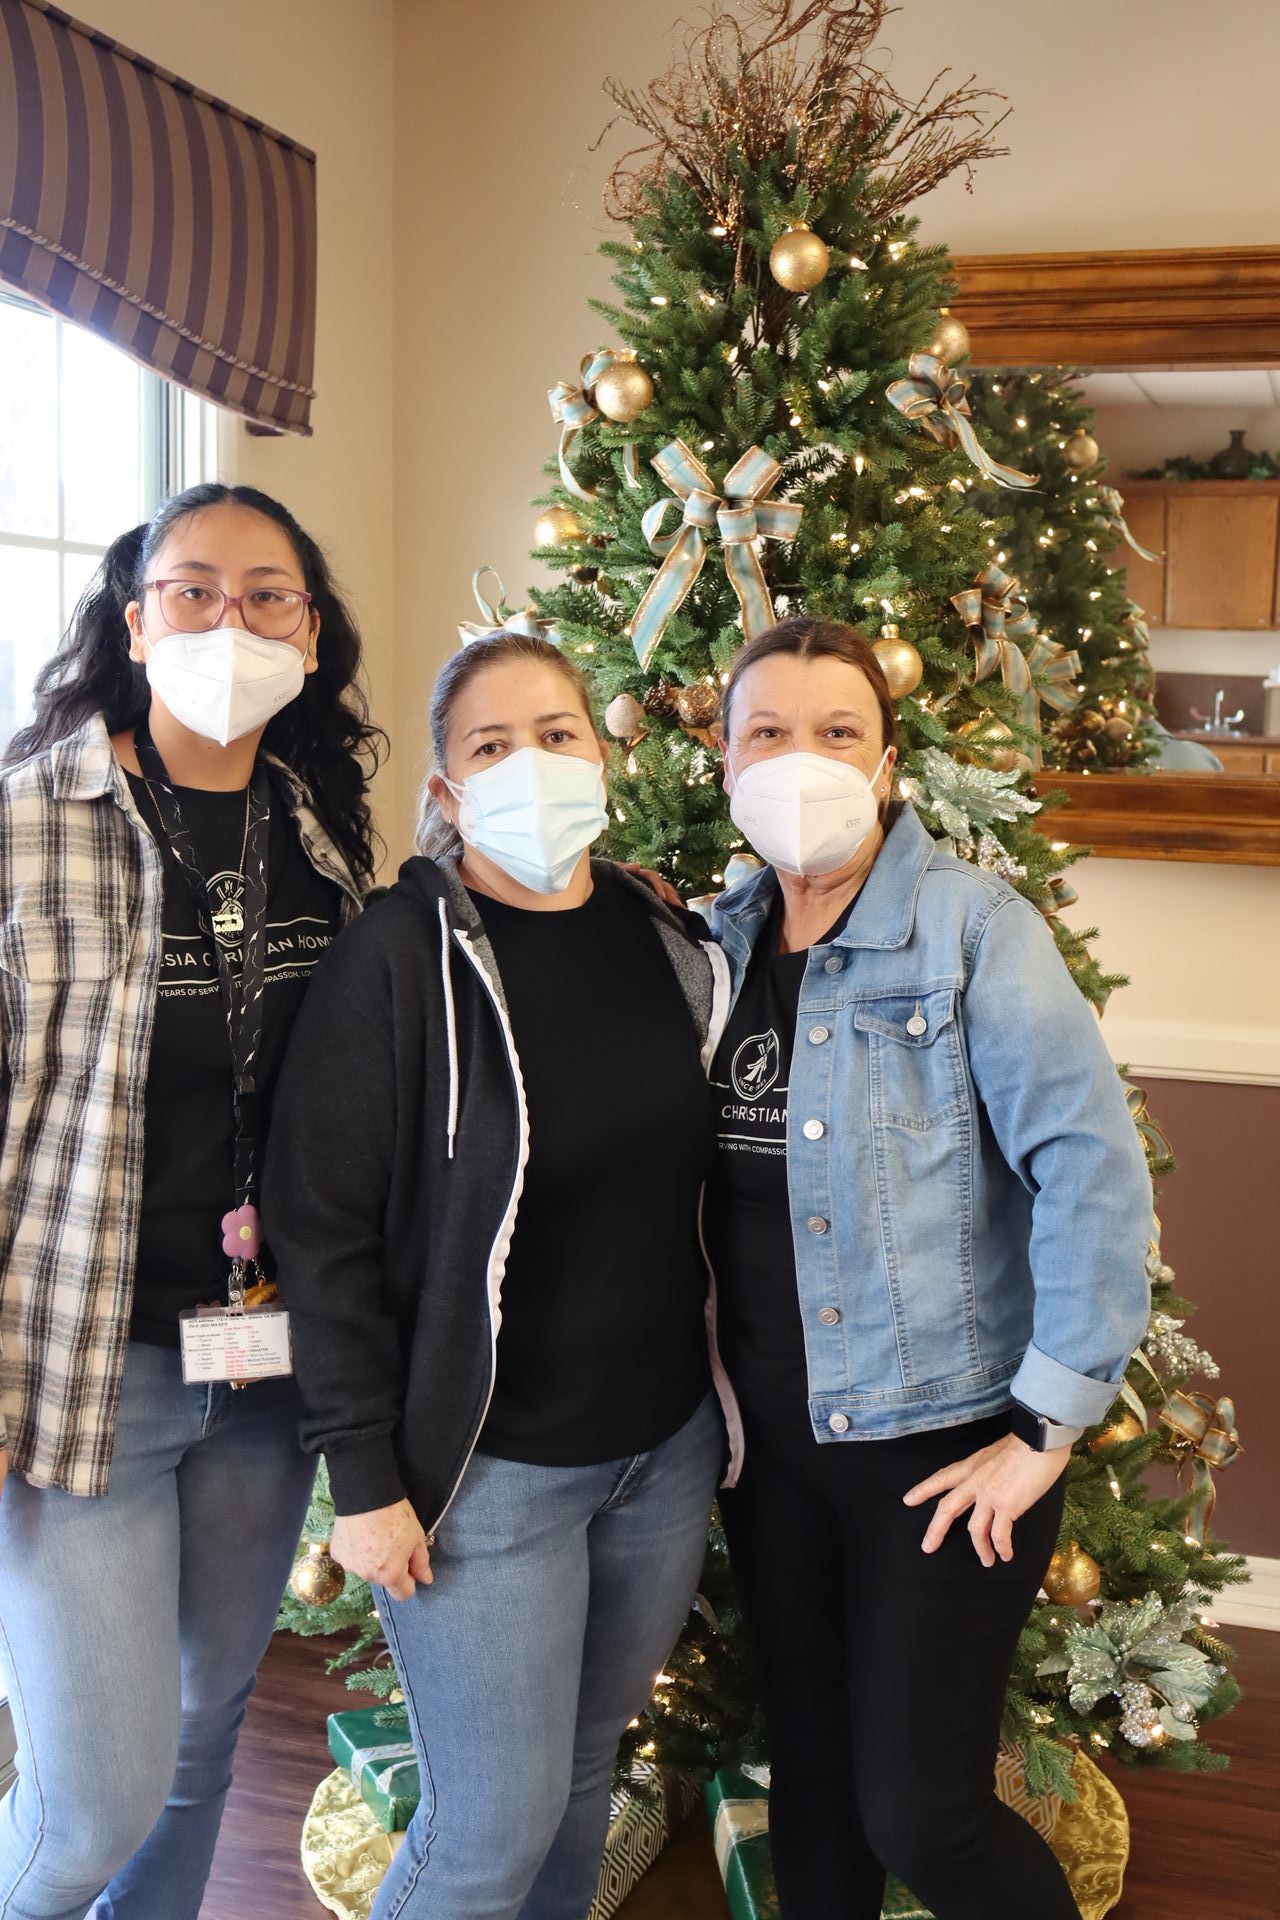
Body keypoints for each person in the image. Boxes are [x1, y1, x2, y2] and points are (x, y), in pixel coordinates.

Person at [263, 628, 740, 1920]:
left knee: (585, 1775)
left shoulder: (667, 941)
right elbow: (322, 1231)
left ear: (603, 756)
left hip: (661, 1455)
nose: (531, 763)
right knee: (486, 1833)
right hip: (487, 1481)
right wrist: (364, 1476)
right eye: (490, 745)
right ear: (446, 792)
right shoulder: (396, 961)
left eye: (558, 734)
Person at [705, 616, 1152, 1920]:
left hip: (945, 1460)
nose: (805, 760)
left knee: (923, 1812)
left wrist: (1048, 1425)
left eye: (838, 731)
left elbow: (1090, 1173)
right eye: (769, 732)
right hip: (770, 1458)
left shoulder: (972, 933)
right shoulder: (712, 947)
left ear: (888, 760)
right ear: (725, 762)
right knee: (814, 1786)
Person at [0, 482, 383, 1920]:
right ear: (133, 618)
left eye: (268, 593)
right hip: (82, 1376)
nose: (233, 618)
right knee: (91, 1801)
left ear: (310, 627)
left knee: (204, 1737)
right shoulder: (27, 827)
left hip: (267, 1370)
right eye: (196, 588)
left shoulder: (328, 840)